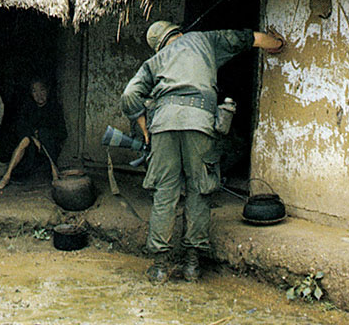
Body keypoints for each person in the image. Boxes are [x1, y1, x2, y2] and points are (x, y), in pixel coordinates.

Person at [120, 20, 285, 284]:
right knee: (200, 189)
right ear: (178, 33)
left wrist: (146, 131)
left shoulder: (155, 61)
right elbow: (247, 38)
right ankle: (192, 266)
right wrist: (277, 44)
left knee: (165, 193)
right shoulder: (204, 39)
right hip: (199, 123)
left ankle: (160, 267)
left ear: (158, 45)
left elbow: (130, 95)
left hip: (163, 125)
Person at [0, 79, 67, 190]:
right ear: (31, 94)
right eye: (34, 91)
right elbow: (21, 126)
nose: (39, 95)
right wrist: (34, 137)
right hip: (33, 146)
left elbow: (62, 133)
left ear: (47, 90)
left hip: (50, 146)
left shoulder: (54, 108)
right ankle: (6, 176)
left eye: (42, 90)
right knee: (25, 140)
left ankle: (54, 174)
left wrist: (42, 135)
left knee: (44, 134)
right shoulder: (28, 107)